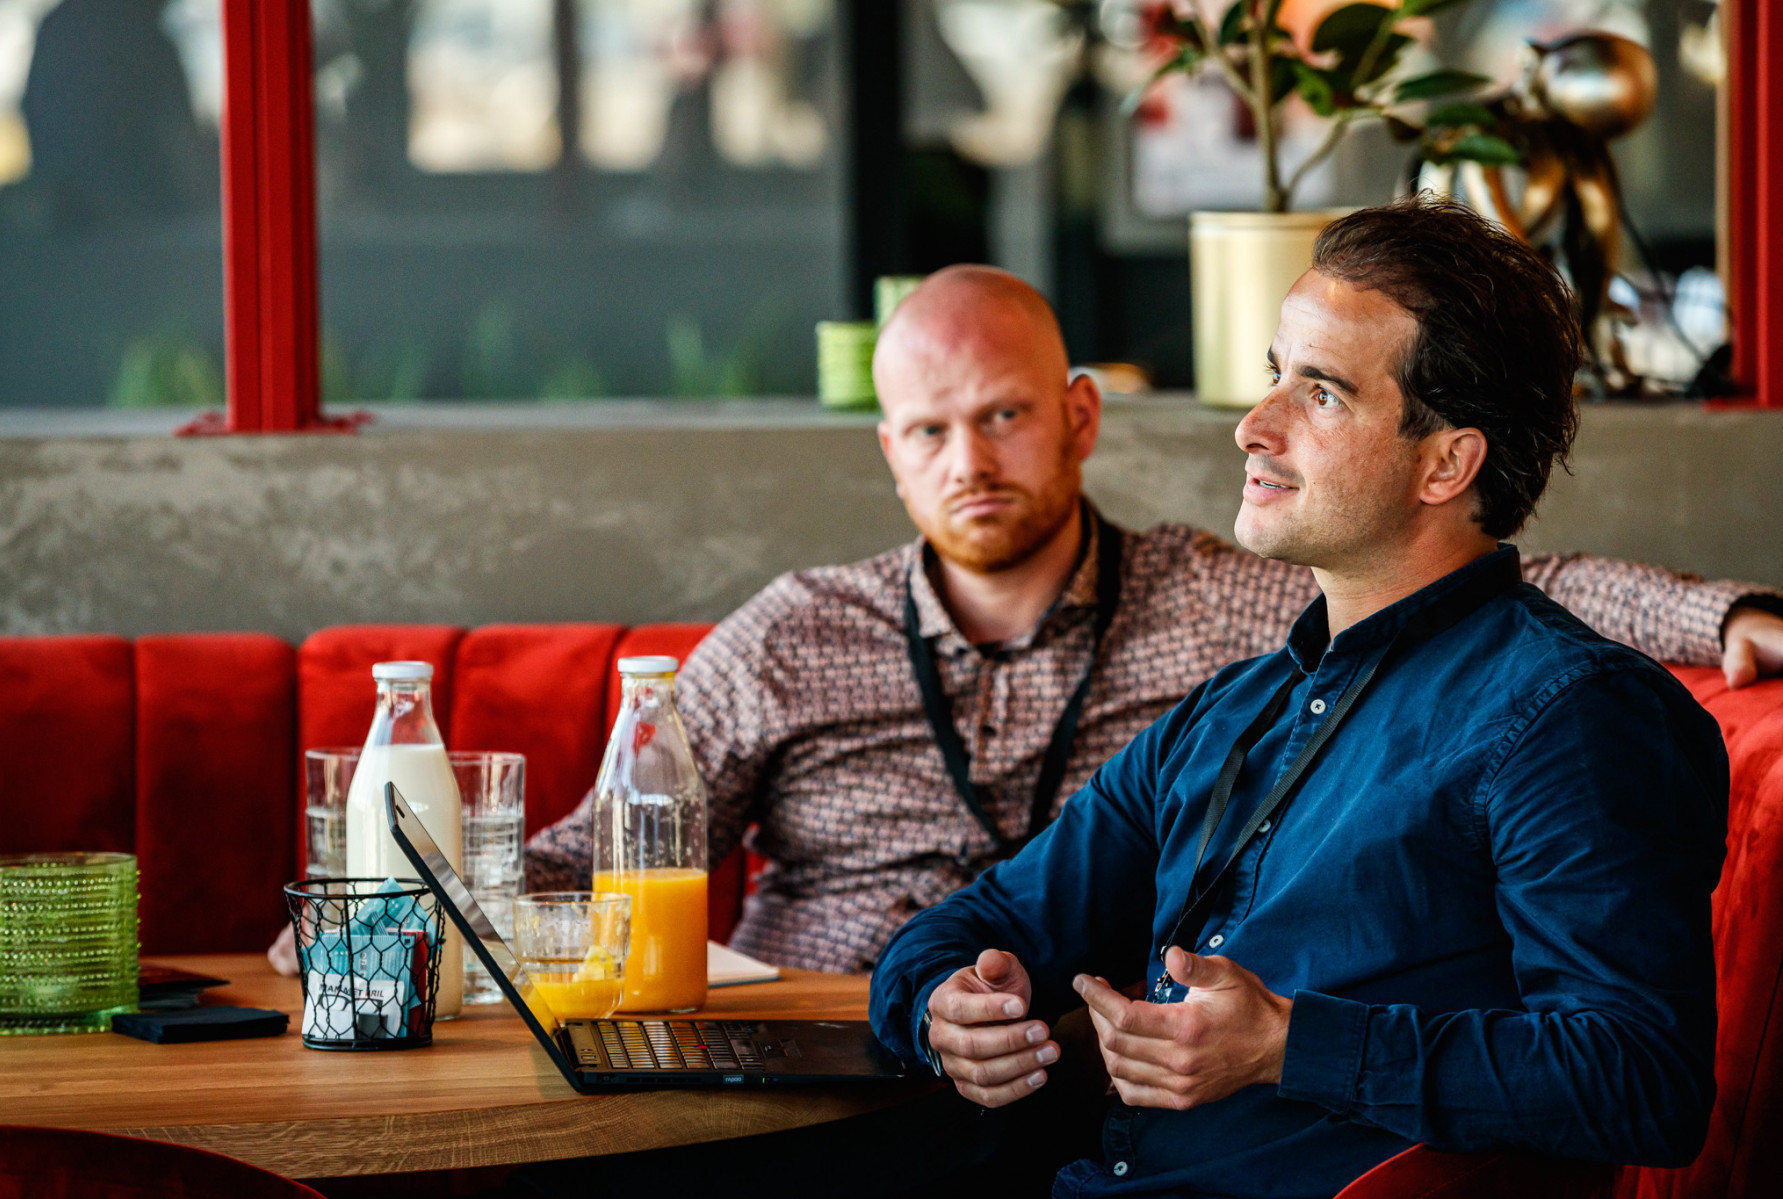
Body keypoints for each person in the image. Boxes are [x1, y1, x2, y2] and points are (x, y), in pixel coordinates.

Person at [518, 265, 1783, 978]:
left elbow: (1469, 574)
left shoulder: (1216, 596)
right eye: (928, 431)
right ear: (890, 454)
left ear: (1078, 417)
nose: (969, 462)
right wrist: (425, 905)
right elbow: (586, 865)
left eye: (1003, 416)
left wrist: (1720, 608)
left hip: (1079, 1076)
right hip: (809, 1052)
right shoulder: (792, 631)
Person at [868, 196, 1729, 1196]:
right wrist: (942, 1007)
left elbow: (1639, 1080)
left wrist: (1287, 1044)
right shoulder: (1226, 713)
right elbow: (974, 923)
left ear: (1444, 462)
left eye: (1318, 394)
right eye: (1273, 373)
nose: (1252, 425)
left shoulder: (1571, 716)